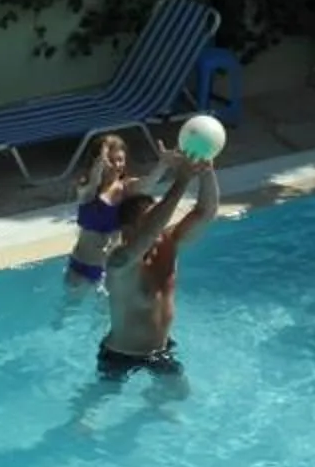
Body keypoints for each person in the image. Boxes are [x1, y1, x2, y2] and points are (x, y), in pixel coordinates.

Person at [97, 155, 219, 376]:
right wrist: (181, 180)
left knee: (177, 397)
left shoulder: (169, 245)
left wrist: (206, 172)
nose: (160, 225)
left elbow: (205, 212)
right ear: (128, 230)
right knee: (93, 406)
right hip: (120, 354)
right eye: (150, 218)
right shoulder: (119, 263)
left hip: (160, 350)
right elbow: (150, 231)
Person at [66, 133, 135, 284]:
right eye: (110, 161)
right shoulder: (86, 190)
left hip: (109, 268)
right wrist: (100, 162)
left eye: (120, 160)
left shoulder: (126, 188)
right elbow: (93, 181)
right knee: (69, 306)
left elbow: (148, 182)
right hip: (80, 266)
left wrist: (163, 165)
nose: (116, 165)